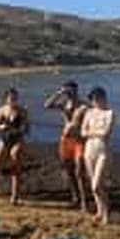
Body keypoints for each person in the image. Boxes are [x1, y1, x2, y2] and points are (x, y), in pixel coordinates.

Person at [44, 80, 88, 209]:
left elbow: (92, 117)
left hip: (79, 140)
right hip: (66, 139)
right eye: (67, 91)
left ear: (76, 90)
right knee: (69, 170)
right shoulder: (64, 104)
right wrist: (59, 93)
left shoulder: (83, 106)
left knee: (79, 170)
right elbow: (47, 105)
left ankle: (84, 200)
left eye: (71, 90)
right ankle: (76, 197)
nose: (69, 93)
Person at [0, 88, 29, 205]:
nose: (13, 100)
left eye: (15, 98)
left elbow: (26, 129)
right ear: (6, 99)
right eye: (11, 98)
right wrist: (1, 127)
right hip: (4, 139)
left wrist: (21, 128)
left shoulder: (22, 111)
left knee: (15, 168)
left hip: (17, 140)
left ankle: (14, 197)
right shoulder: (0, 110)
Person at [81, 87, 115, 225]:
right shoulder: (89, 113)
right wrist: (96, 132)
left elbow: (106, 133)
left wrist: (92, 131)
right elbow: (83, 132)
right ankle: (99, 211)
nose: (96, 101)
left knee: (97, 185)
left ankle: (106, 212)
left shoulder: (110, 113)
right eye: (93, 99)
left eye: (98, 98)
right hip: (89, 149)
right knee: (93, 184)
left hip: (103, 150)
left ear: (104, 97)